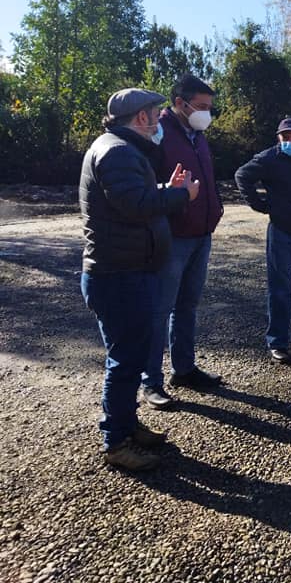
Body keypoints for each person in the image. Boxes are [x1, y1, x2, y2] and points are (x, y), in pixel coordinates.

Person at [80, 88, 199, 471]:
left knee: (129, 357)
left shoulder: (121, 148)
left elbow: (136, 197)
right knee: (125, 360)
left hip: (125, 272)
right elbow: (136, 206)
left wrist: (168, 189)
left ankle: (127, 426)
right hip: (118, 276)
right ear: (141, 118)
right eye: (155, 113)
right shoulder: (116, 152)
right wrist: (181, 196)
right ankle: (115, 443)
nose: (160, 120)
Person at [141, 74, 223, 410]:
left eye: (209, 107)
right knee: (159, 310)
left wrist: (214, 210)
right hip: (173, 236)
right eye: (201, 107)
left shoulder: (197, 135)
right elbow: (147, 184)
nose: (207, 113)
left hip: (201, 232)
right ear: (179, 103)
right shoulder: (158, 134)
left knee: (187, 306)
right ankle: (151, 382)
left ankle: (184, 369)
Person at [235, 118, 291, 363]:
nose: (289, 140)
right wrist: (261, 205)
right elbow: (242, 175)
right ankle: (278, 342)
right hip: (281, 232)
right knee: (280, 289)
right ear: (278, 139)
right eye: (284, 136)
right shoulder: (268, 159)